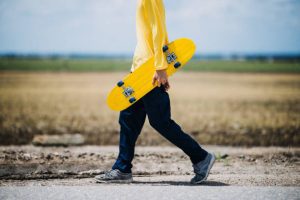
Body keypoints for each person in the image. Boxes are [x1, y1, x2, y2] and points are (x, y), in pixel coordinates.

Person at [95, 0, 215, 184]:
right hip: (139, 73)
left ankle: (201, 158)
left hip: (149, 72)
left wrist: (160, 68)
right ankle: (122, 169)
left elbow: (158, 30)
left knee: (161, 122)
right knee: (128, 119)